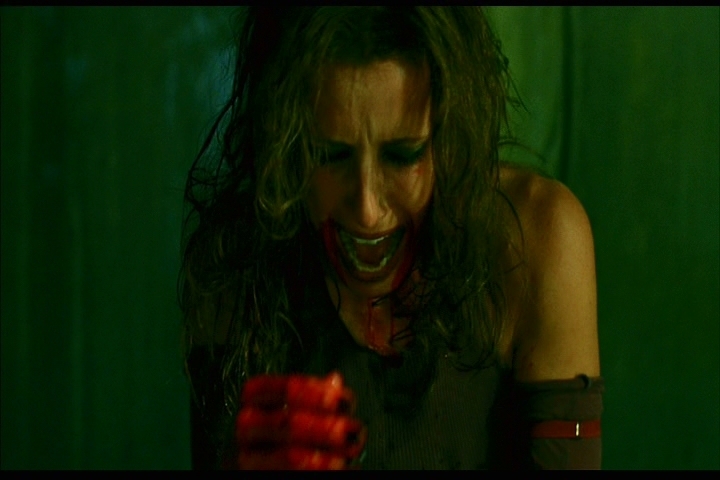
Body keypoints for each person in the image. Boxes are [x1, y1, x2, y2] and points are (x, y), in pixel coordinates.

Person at [178, 6, 603, 470]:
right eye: (330, 155)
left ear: (449, 134)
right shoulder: (237, 262)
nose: (367, 208)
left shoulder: (534, 238)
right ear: (285, 142)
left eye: (403, 155)